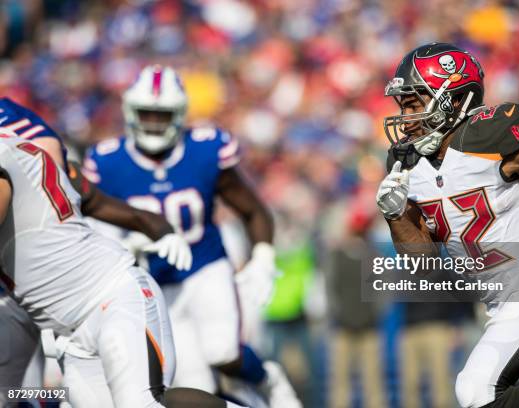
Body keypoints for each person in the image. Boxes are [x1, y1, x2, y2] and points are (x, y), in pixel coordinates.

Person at [375, 43, 519, 407]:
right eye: (403, 105)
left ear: (454, 100)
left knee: (475, 389)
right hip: (502, 309)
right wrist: (395, 216)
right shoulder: (407, 165)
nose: (405, 117)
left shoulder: (488, 140)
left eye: (414, 103)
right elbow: (423, 264)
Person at [84, 65, 302, 408]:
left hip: (204, 264)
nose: (154, 123)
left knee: (223, 351)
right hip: (153, 281)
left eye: (162, 115)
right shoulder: (107, 161)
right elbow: (95, 229)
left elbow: (252, 209)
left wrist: (262, 257)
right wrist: (127, 245)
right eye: (147, 114)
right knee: (192, 383)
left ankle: (269, 380)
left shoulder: (205, 149)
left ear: (180, 114)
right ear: (130, 112)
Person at [0, 97, 193, 406]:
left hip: (109, 296)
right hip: (66, 330)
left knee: (141, 403)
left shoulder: (6, 155)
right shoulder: (22, 150)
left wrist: (161, 229)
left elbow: (94, 200)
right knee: (14, 396)